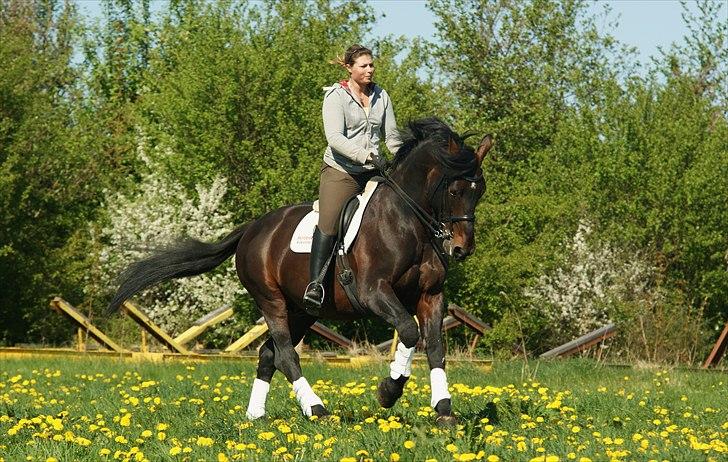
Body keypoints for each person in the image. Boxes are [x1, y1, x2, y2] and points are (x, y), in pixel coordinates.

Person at [303, 44, 403, 314]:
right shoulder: (336, 97)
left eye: (371, 65)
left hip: (373, 171)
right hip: (341, 171)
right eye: (363, 65)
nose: (370, 70)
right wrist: (367, 156)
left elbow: (392, 138)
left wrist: (402, 157)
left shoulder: (382, 96)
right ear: (349, 68)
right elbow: (335, 139)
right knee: (330, 222)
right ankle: (315, 285)